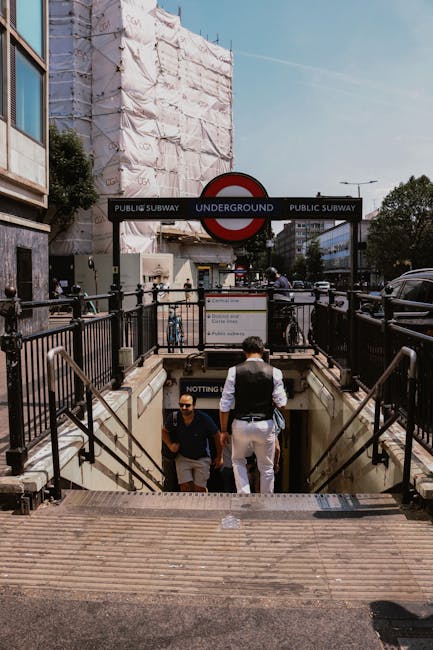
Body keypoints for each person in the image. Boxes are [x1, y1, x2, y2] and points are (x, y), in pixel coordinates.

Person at [219, 336, 287, 494]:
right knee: (267, 467)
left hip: (241, 424)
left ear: (244, 352)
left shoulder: (234, 371)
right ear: (262, 351)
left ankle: (244, 495)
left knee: (238, 461)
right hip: (265, 424)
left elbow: (225, 404)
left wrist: (223, 430)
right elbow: (282, 403)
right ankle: (266, 500)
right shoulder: (275, 372)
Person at [162, 392, 223, 492]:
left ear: (194, 405)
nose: (184, 407)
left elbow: (217, 435)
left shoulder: (204, 419)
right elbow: (164, 431)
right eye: (181, 405)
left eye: (187, 405)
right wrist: (170, 445)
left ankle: (202, 506)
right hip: (183, 457)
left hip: (202, 457)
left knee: (200, 489)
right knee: (185, 488)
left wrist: (220, 457)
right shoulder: (174, 417)